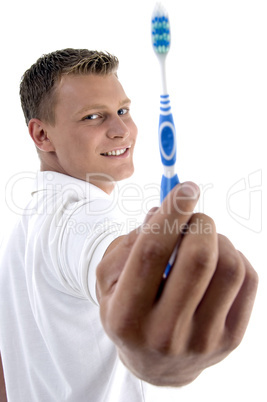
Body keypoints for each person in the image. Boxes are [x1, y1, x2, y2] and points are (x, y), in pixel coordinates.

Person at [0, 48, 258, 402]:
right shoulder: (81, 217)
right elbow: (104, 262)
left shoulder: (25, 226)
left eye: (123, 110)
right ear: (42, 136)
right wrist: (155, 350)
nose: (122, 130)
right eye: (93, 117)